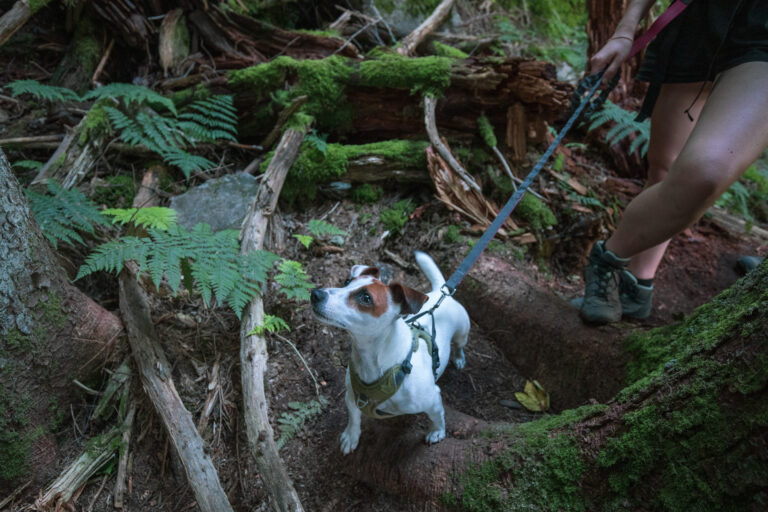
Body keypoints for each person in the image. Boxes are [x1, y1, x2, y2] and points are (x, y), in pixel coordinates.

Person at [577, 0, 768, 324]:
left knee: (705, 171)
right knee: (664, 167)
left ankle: (609, 258)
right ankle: (637, 286)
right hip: (698, 23)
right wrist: (625, 31)